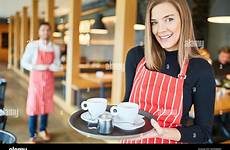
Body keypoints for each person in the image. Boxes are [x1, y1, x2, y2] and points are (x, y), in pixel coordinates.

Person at [123, 0, 215, 144]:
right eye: (154, 22)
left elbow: (203, 133)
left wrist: (163, 133)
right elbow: (127, 105)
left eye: (169, 19)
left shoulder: (200, 68)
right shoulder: (136, 56)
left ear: (183, 20)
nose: (160, 30)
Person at [21, 22, 62, 143]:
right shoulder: (32, 46)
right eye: (43, 30)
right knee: (34, 106)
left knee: (46, 105)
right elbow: (24, 62)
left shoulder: (55, 48)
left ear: (50, 32)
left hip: (49, 81)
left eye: (48, 30)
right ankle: (32, 135)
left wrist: (54, 67)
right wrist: (38, 67)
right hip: (36, 81)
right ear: (39, 32)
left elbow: (57, 64)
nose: (46, 32)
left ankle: (43, 129)